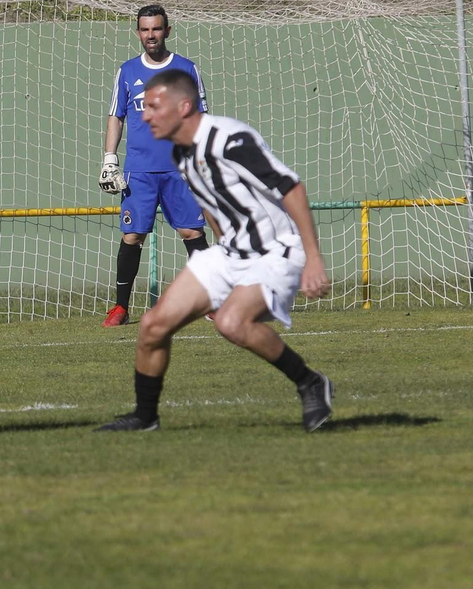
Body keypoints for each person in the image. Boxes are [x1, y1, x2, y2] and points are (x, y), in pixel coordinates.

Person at [95, 68, 334, 433]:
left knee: (231, 322)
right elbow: (210, 203)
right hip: (230, 252)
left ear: (184, 106)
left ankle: (310, 381)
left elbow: (292, 188)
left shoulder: (229, 139)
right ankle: (145, 417)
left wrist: (313, 259)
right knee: (153, 326)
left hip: (275, 251)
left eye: (155, 107)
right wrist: (221, 250)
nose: (145, 115)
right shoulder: (181, 152)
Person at [99, 4, 210, 328]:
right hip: (140, 172)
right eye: (145, 29)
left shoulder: (186, 69)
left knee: (192, 232)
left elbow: (200, 116)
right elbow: (116, 116)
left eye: (157, 29)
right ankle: (120, 307)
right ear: (138, 33)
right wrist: (110, 159)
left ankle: (211, 301)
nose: (151, 35)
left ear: (167, 31)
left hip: (180, 169)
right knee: (133, 236)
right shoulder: (127, 71)